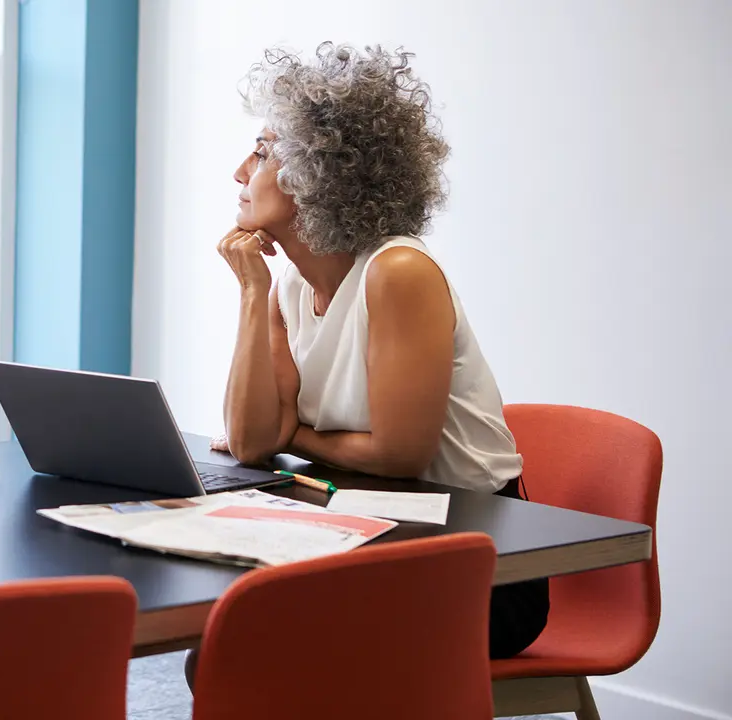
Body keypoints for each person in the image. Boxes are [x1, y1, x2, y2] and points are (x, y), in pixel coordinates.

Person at [188, 43, 548, 685]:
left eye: (263, 152)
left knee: (250, 656)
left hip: (476, 563)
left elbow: (401, 456)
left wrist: (293, 436)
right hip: (364, 532)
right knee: (220, 653)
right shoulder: (288, 285)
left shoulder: (398, 273)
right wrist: (250, 290)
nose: (240, 170)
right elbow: (248, 442)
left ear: (321, 173)